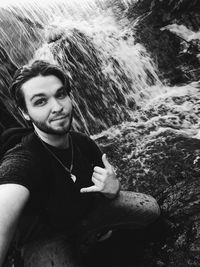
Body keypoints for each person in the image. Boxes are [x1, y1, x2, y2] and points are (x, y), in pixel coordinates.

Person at [0, 60, 160, 267]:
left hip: (86, 216)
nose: (57, 107)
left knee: (150, 209)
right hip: (45, 238)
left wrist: (112, 190)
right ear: (24, 112)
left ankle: (90, 240)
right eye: (40, 102)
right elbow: (6, 200)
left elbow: (106, 189)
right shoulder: (23, 160)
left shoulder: (82, 142)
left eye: (60, 95)